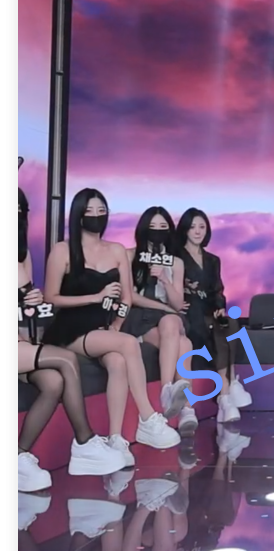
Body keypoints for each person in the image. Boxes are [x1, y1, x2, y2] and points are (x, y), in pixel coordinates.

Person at [42, 189, 180, 462]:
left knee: (117, 361)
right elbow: (51, 297)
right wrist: (96, 297)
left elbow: (126, 298)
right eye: (90, 211)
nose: (96, 216)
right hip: (71, 329)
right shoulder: (62, 250)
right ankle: (147, 417)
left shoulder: (116, 250)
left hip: (103, 328)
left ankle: (115, 439)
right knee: (128, 344)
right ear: (78, 215)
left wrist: (117, 323)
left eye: (101, 211)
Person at [18, 187, 127, 492]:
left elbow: (29, 308)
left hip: (21, 344)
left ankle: (20, 455)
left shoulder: (22, 256)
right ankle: (85, 441)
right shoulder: (62, 250)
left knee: (53, 382)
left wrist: (29, 303)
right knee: (66, 359)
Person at [176, 208, 250, 430]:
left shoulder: (213, 260)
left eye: (202, 227)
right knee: (208, 327)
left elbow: (217, 290)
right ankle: (226, 392)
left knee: (229, 324)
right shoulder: (177, 258)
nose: (197, 232)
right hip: (188, 311)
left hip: (208, 310)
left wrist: (219, 307)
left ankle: (228, 388)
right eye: (193, 227)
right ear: (185, 229)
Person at [124, 207, 194, 421]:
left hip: (170, 317)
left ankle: (167, 390)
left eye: (162, 226)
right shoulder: (129, 256)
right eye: (152, 226)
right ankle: (187, 409)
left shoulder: (176, 262)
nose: (157, 231)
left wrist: (164, 279)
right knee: (184, 344)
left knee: (171, 321)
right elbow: (130, 296)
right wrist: (164, 308)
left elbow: (178, 303)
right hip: (142, 317)